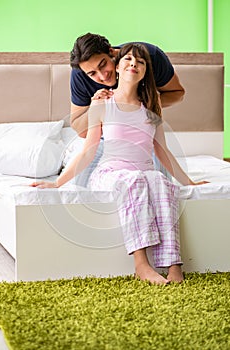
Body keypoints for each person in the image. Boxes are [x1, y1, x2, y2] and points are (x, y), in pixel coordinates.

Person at [31, 43, 207, 285]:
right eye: (129, 60)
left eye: (140, 63)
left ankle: (174, 264)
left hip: (144, 169)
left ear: (145, 71)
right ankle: (141, 265)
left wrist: (190, 182)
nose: (134, 64)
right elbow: (88, 150)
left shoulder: (152, 106)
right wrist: (58, 184)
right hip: (110, 171)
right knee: (134, 181)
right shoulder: (102, 104)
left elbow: (162, 149)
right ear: (119, 63)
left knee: (161, 182)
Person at [68, 33, 185, 187]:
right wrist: (97, 107)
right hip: (105, 137)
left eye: (103, 65)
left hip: (143, 136)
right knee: (79, 187)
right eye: (92, 73)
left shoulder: (150, 57)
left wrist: (141, 105)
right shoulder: (80, 75)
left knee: (161, 185)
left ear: (112, 52)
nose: (102, 76)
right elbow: (80, 129)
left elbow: (177, 93)